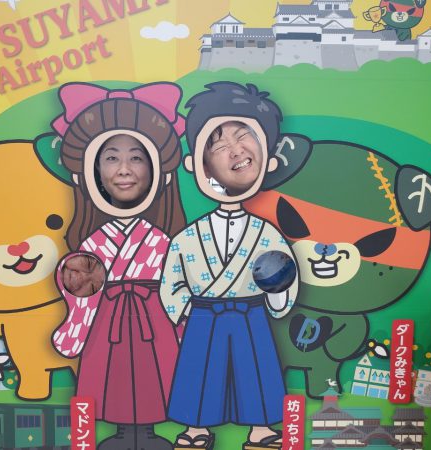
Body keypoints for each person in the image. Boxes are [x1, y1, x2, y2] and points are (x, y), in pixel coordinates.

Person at [160, 82, 301, 450]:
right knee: (199, 373)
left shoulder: (265, 234)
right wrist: (187, 310)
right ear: (196, 164)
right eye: (218, 145)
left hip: (250, 313)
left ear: (269, 160)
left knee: (255, 371)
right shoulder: (188, 238)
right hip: (204, 316)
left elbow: (284, 276)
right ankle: (196, 428)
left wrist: (276, 293)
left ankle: (260, 429)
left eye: (244, 137)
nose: (235, 150)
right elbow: (172, 281)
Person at [50, 82, 187, 450]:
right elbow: (80, 294)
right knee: (112, 376)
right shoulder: (93, 243)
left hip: (155, 318)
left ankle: (148, 432)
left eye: (137, 157)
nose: (124, 169)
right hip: (106, 319)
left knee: (157, 374)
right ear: (90, 170)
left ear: (160, 171)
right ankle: (124, 433)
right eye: (111, 158)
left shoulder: (165, 240)